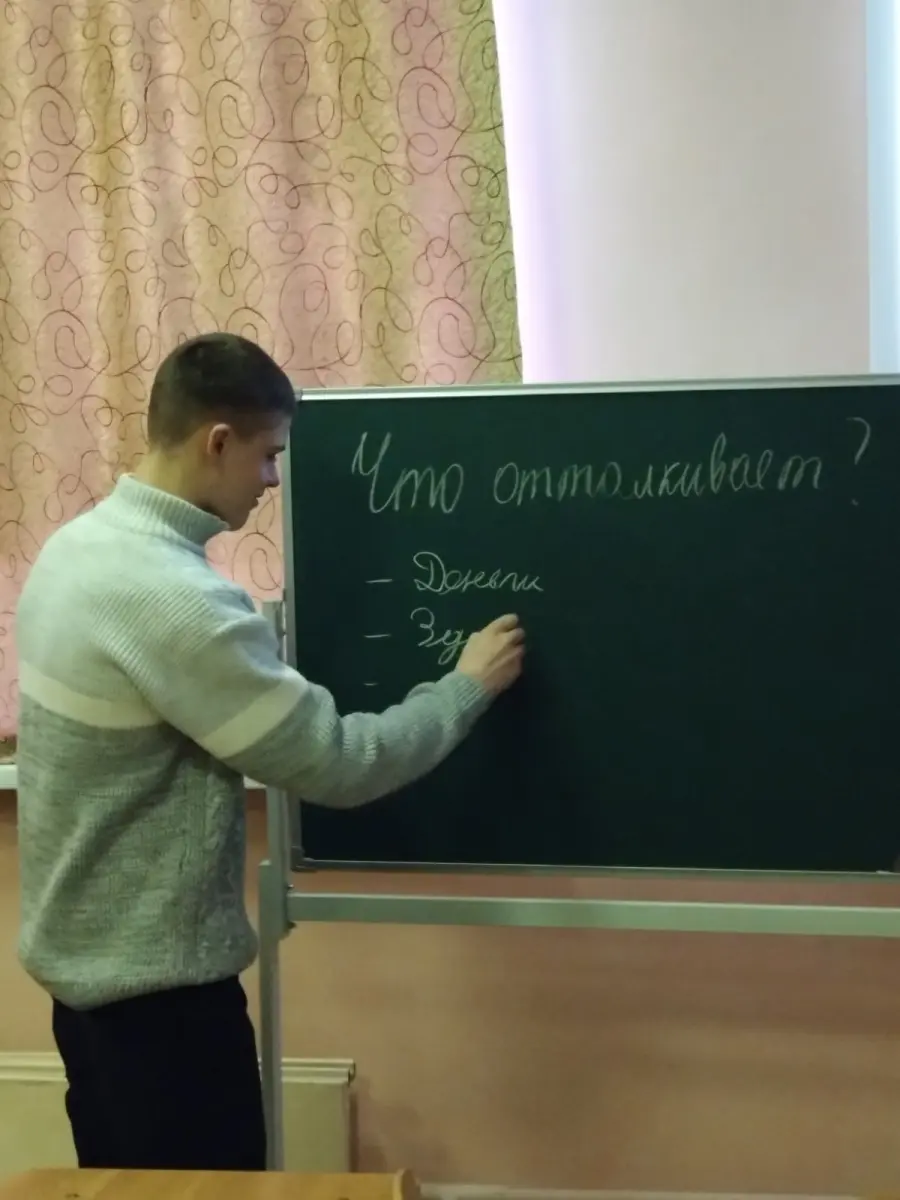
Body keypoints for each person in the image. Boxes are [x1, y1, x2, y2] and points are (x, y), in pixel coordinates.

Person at [14, 332, 524, 1172]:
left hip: (91, 995)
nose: (274, 481)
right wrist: (463, 689)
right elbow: (340, 762)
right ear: (217, 441)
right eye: (269, 455)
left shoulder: (78, 551)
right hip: (162, 1013)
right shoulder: (174, 601)